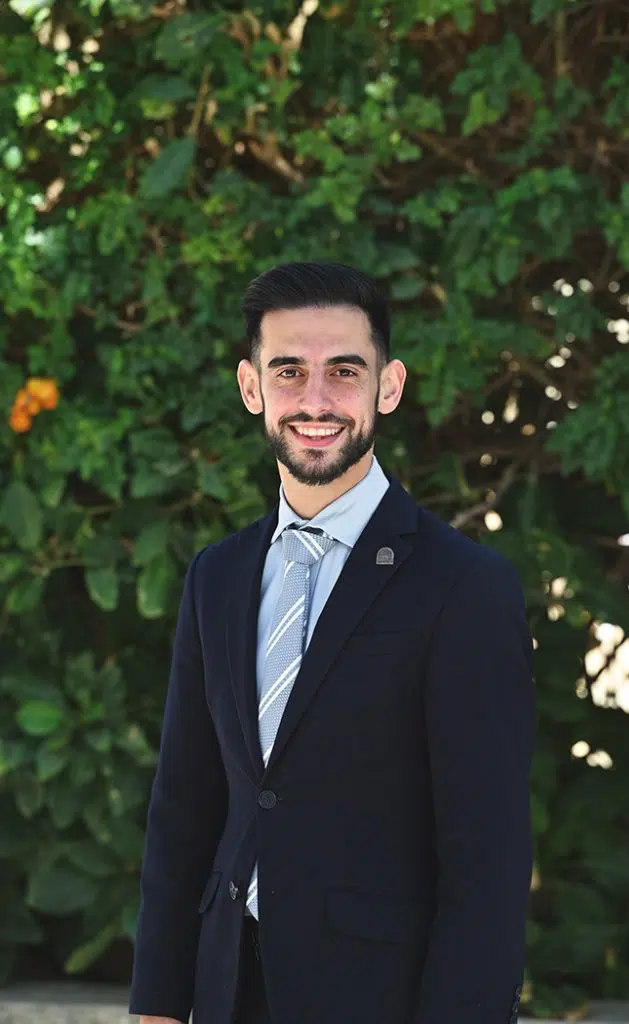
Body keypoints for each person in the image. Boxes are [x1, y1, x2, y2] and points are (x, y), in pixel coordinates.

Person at [129, 261, 536, 1024]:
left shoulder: (464, 585)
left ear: (389, 386)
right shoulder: (217, 576)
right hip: (225, 987)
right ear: (251, 387)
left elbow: (488, 857)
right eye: (289, 371)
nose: (315, 401)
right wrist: (158, 1004)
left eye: (344, 371)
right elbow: (185, 805)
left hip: (378, 996)